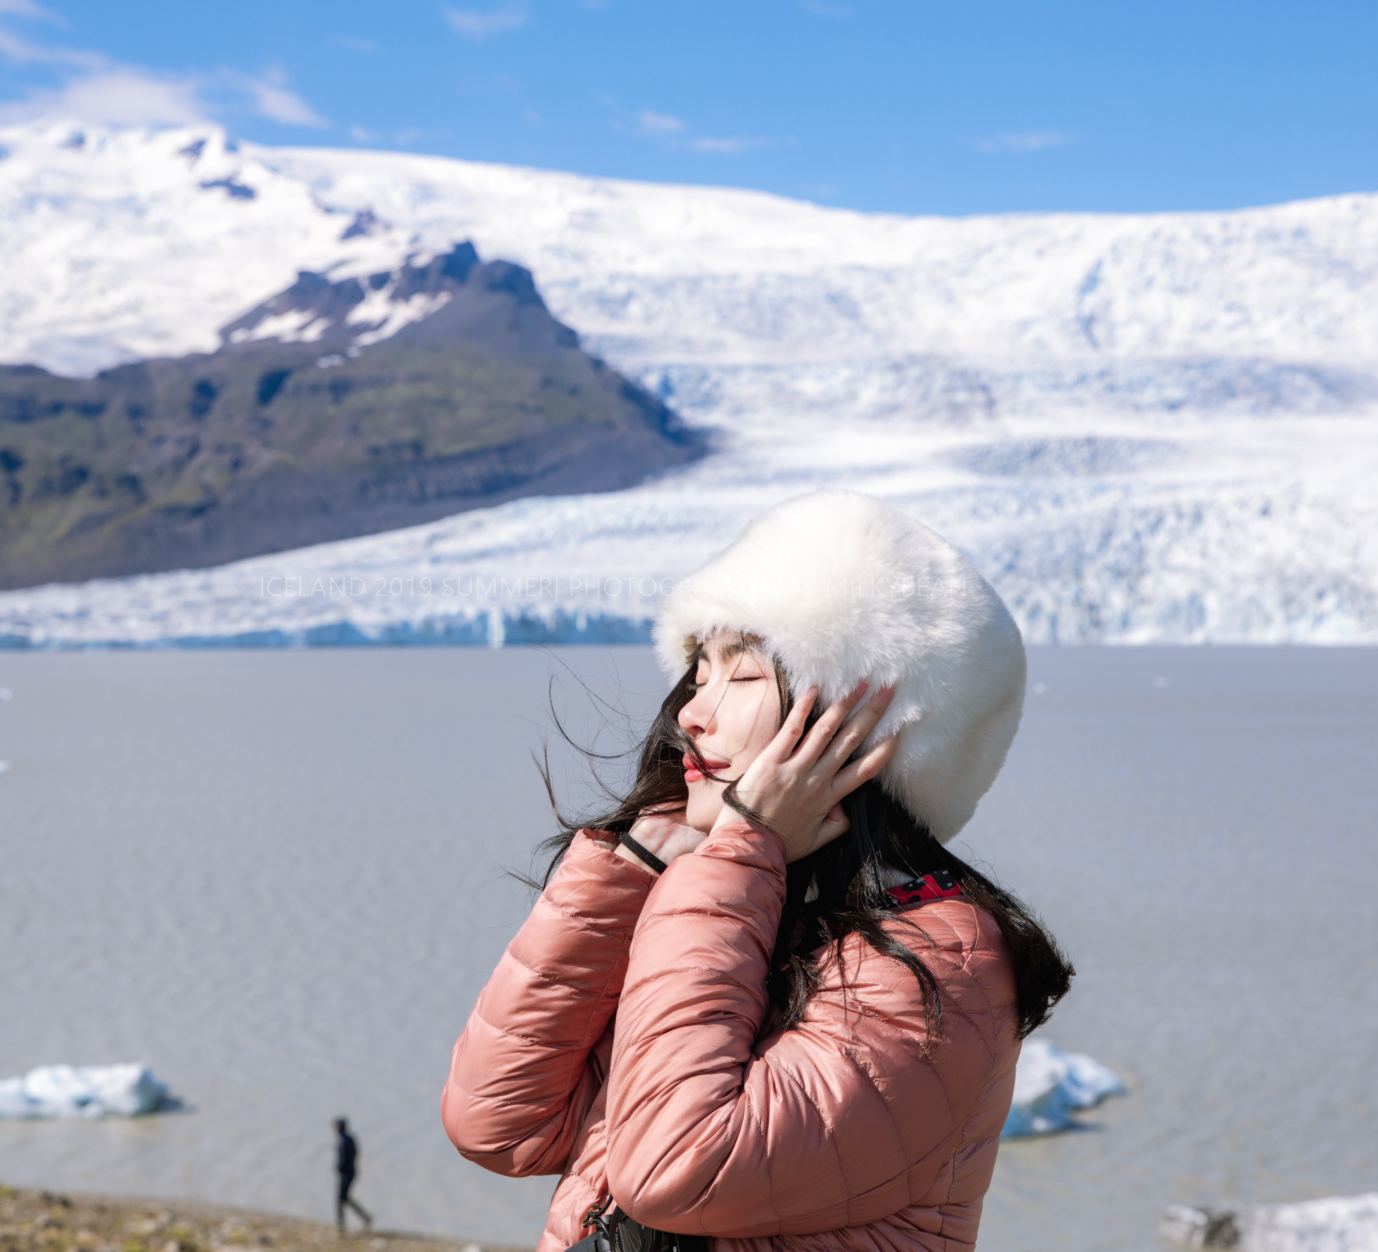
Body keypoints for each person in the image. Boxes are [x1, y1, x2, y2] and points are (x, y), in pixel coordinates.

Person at [441, 490, 1073, 1252]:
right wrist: (637, 864)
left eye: (741, 678)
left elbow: (674, 1167)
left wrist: (741, 851)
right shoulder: (741, 905)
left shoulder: (939, 959)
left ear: (862, 731)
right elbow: (500, 1121)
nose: (691, 715)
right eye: (697, 673)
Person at [333, 1117, 372, 1236]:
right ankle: (365, 1217)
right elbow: (356, 1154)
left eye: (337, 1127)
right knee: (345, 1198)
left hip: (347, 1173)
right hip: (351, 1171)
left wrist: (341, 1168)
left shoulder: (345, 1140)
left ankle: (341, 1228)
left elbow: (346, 1158)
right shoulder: (349, 1139)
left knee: (340, 1200)